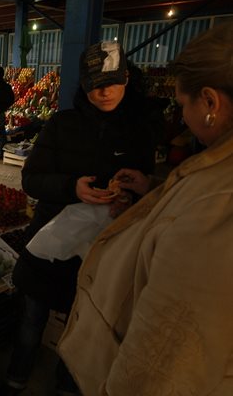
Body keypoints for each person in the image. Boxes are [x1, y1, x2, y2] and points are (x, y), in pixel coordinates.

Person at [58, 23, 233, 396]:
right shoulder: (64, 124)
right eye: (94, 85)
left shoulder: (217, 207)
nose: (182, 117)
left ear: (211, 103)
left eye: (184, 105)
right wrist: (152, 190)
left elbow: (167, 357)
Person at [0, 41, 161, 395]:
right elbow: (31, 178)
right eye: (93, 84)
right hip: (50, 243)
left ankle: (67, 388)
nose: (102, 91)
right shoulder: (62, 124)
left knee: (85, 327)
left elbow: (150, 188)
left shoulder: (139, 130)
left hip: (105, 250)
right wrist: (72, 188)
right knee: (32, 318)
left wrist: (134, 195)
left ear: (127, 78)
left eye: (111, 82)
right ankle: (15, 379)